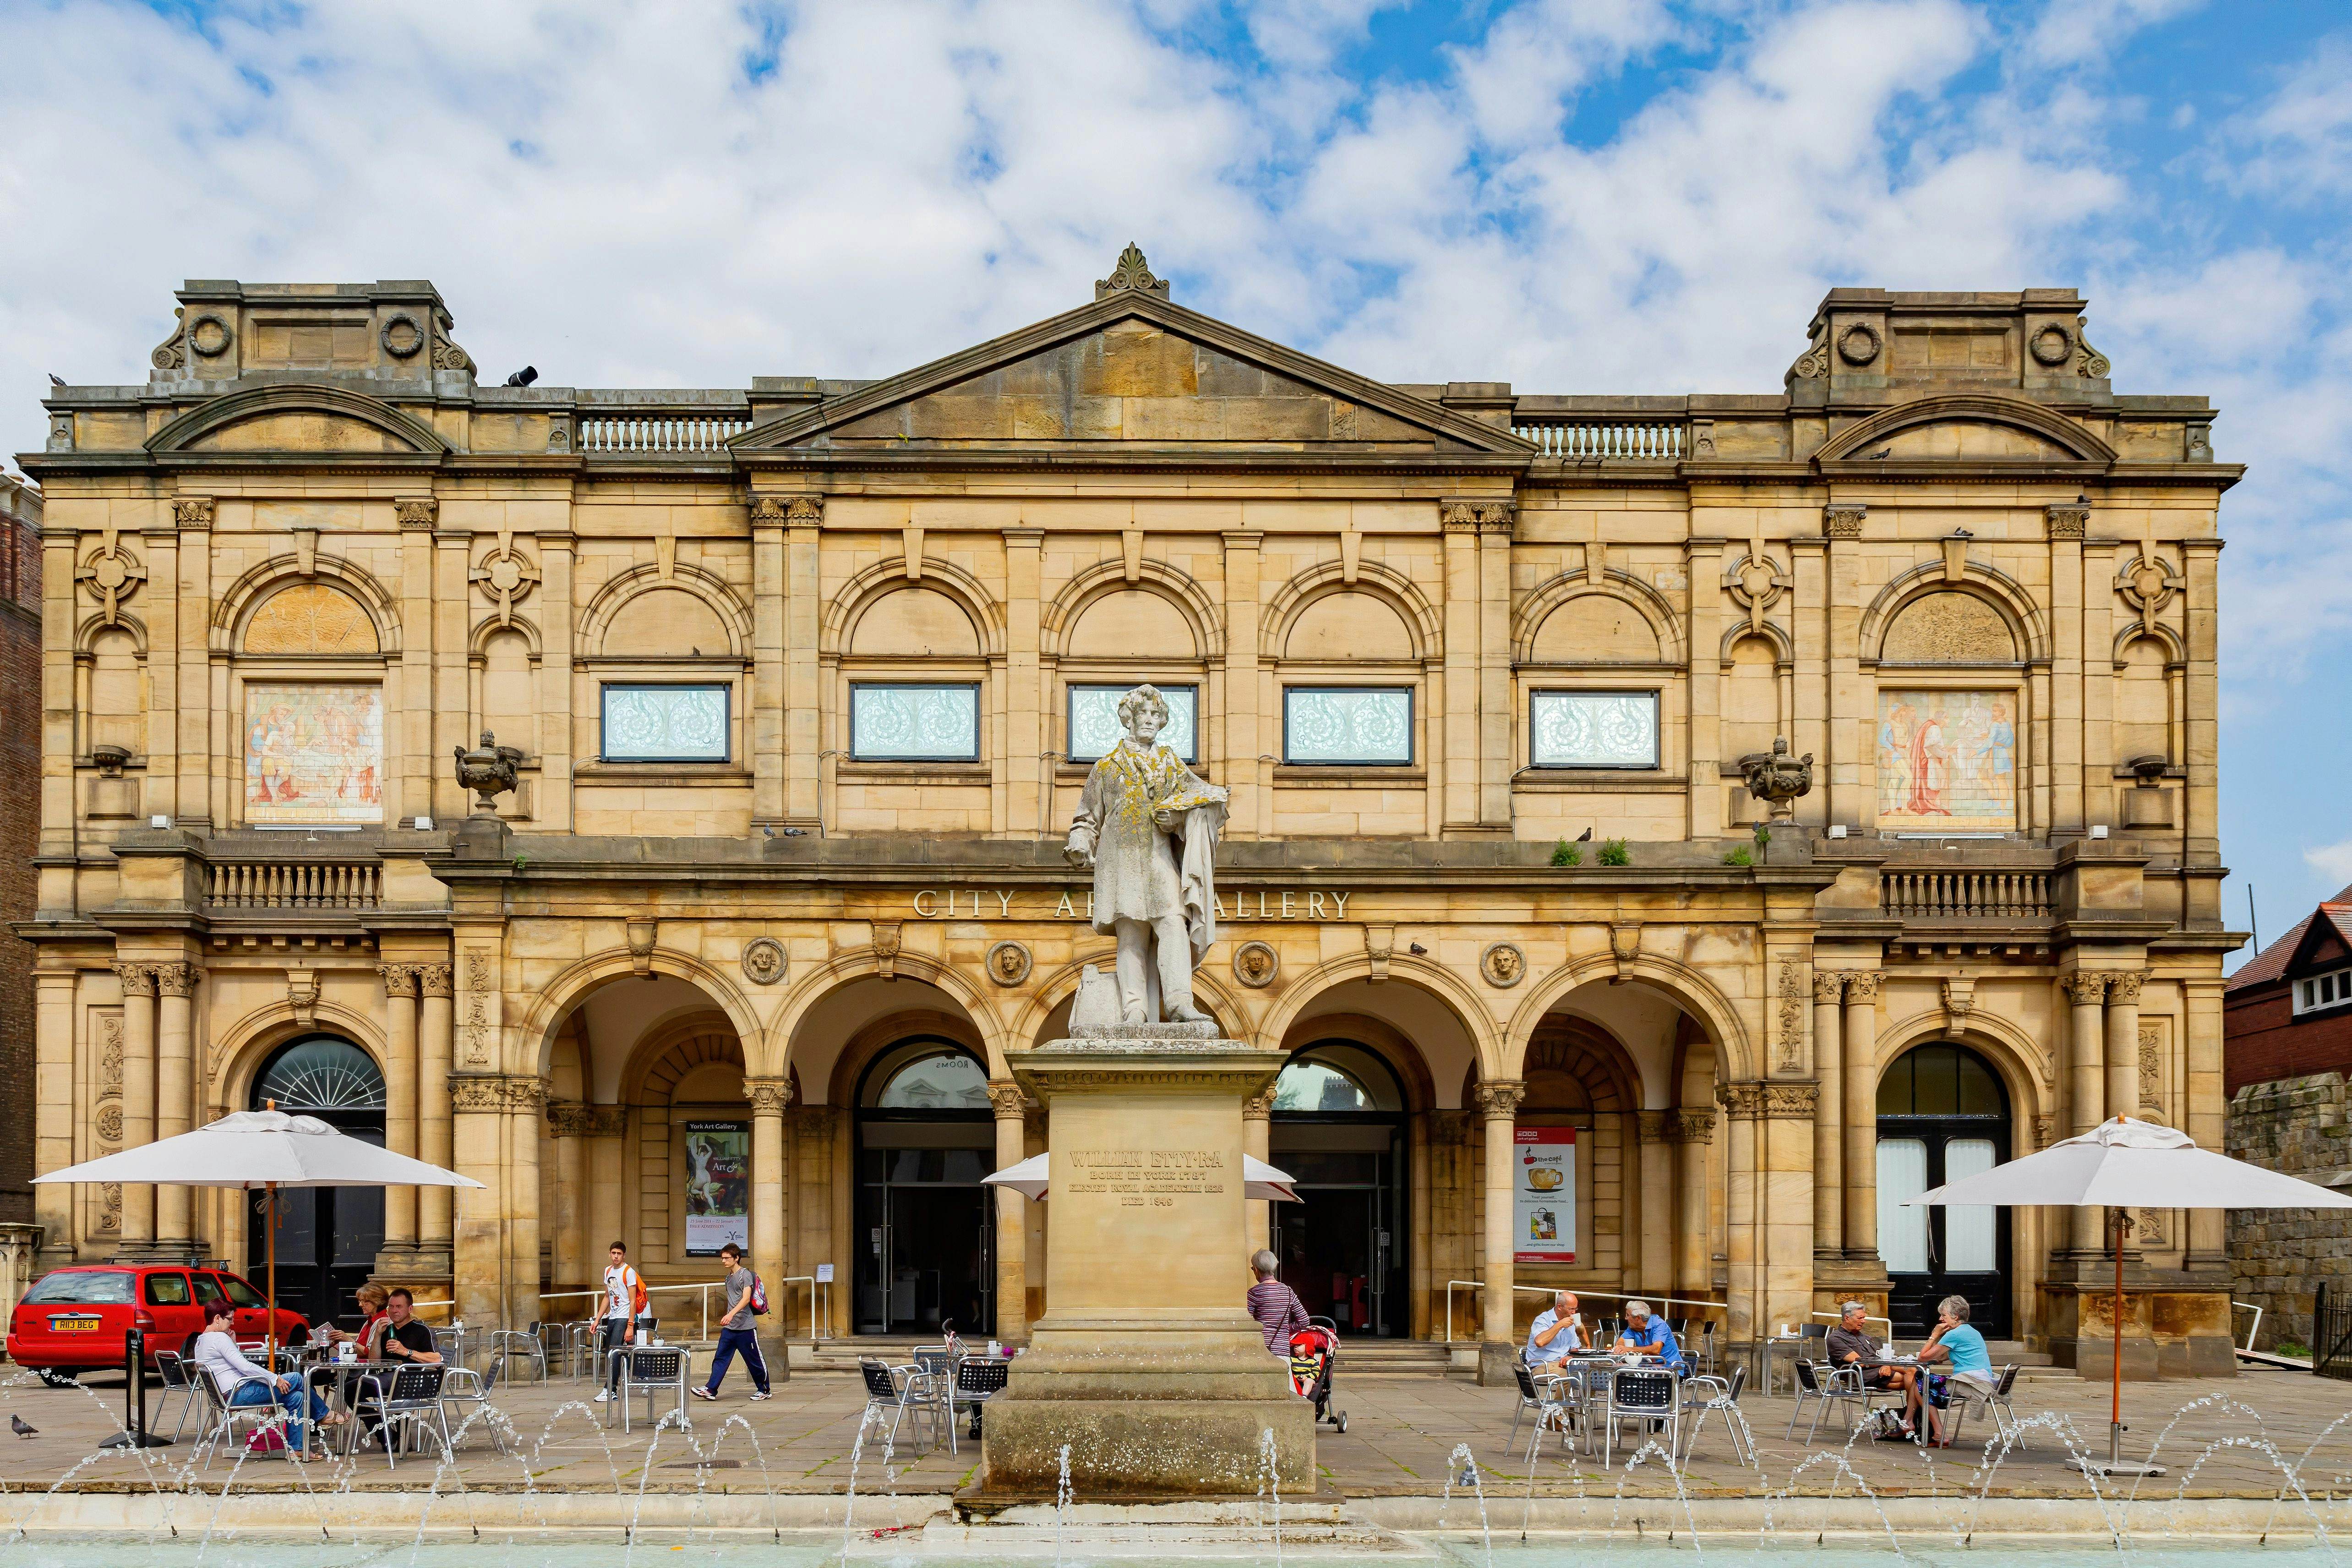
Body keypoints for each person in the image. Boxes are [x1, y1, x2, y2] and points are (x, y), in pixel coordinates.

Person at [1064, 684, 1230, 1024]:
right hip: (1121, 863)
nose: (1150, 720)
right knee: (1131, 935)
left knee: (1172, 924)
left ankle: (1180, 1003)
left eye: (1156, 715)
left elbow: (1210, 800)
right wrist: (1080, 843)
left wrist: (1179, 819)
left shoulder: (1171, 764)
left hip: (1159, 861)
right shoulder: (1106, 767)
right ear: (1129, 718)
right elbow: (1087, 817)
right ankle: (1134, 1009)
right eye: (1143, 714)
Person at [191, 1299, 337, 1455]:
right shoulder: (219, 1338)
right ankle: (324, 1415)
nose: (232, 1323)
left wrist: (233, 1344)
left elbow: (228, 1366)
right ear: (218, 1319)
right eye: (230, 1319)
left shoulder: (201, 1341)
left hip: (225, 1396)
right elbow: (245, 1367)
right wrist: (275, 1379)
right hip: (239, 1392)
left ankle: (298, 1448)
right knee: (296, 1378)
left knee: (296, 1397)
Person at [1909, 1295, 1996, 1446]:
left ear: (1955, 1317)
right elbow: (1948, 1355)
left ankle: (1936, 1431)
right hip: (1981, 1380)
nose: (1941, 1319)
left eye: (1944, 1315)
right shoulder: (1972, 1332)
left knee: (1921, 1382)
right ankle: (1911, 1422)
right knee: (1921, 1382)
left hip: (1969, 1383)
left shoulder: (1954, 1334)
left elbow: (1923, 1357)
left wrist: (1934, 1336)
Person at [1825, 1300, 1916, 1439]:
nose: (1864, 1321)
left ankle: (1909, 1418)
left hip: (1878, 1371)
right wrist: (1885, 1364)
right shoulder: (1835, 1338)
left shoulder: (1865, 1337)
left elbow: (1879, 1356)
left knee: (1913, 1378)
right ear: (1847, 1318)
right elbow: (1859, 1362)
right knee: (1912, 1375)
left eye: (1864, 1318)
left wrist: (1886, 1365)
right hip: (1857, 1375)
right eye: (1860, 1318)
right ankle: (1912, 1417)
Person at [693, 1242, 772, 1402]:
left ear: (736, 1258)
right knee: (721, 1358)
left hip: (746, 1327)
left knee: (754, 1360)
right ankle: (711, 1389)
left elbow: (746, 1299)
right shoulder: (728, 1278)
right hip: (730, 1328)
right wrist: (729, 1317)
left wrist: (731, 1314)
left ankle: (764, 1390)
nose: (723, 1261)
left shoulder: (745, 1275)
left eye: (727, 1258)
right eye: (722, 1258)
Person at [595, 1240, 646, 1403]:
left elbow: (632, 1301)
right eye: (613, 1253)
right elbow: (607, 1297)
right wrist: (597, 1320)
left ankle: (610, 1389)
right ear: (610, 1254)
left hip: (625, 1317)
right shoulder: (608, 1271)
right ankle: (642, 1374)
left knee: (615, 1353)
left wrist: (631, 1325)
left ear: (624, 1255)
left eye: (619, 1254)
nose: (616, 1256)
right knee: (610, 1352)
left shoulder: (628, 1272)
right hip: (613, 1317)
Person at [1246, 1250, 1309, 1354]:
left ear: (1256, 1270)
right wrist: (1285, 1329)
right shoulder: (1288, 1291)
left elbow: (1247, 1323)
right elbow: (1304, 1321)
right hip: (1283, 1352)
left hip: (1262, 1351)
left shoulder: (1254, 1293)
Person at [1611, 1300, 1686, 1372]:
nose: (1626, 1318)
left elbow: (1656, 1349)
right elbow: (1621, 1341)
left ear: (1638, 1318)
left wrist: (1628, 1349)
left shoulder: (1659, 1324)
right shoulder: (1633, 1328)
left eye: (1628, 1315)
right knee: (1619, 1375)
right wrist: (1620, 1348)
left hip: (1671, 1369)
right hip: (1648, 1367)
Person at [1525, 1291, 1585, 1372]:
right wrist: (1560, 1325)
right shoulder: (1543, 1319)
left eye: (1576, 1309)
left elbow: (1574, 1349)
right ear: (1560, 1307)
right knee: (1568, 1375)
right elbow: (1540, 1342)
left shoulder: (1570, 1322)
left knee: (1589, 1372)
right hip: (1541, 1365)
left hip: (1564, 1365)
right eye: (1571, 1309)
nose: (1574, 1312)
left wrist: (1571, 1357)